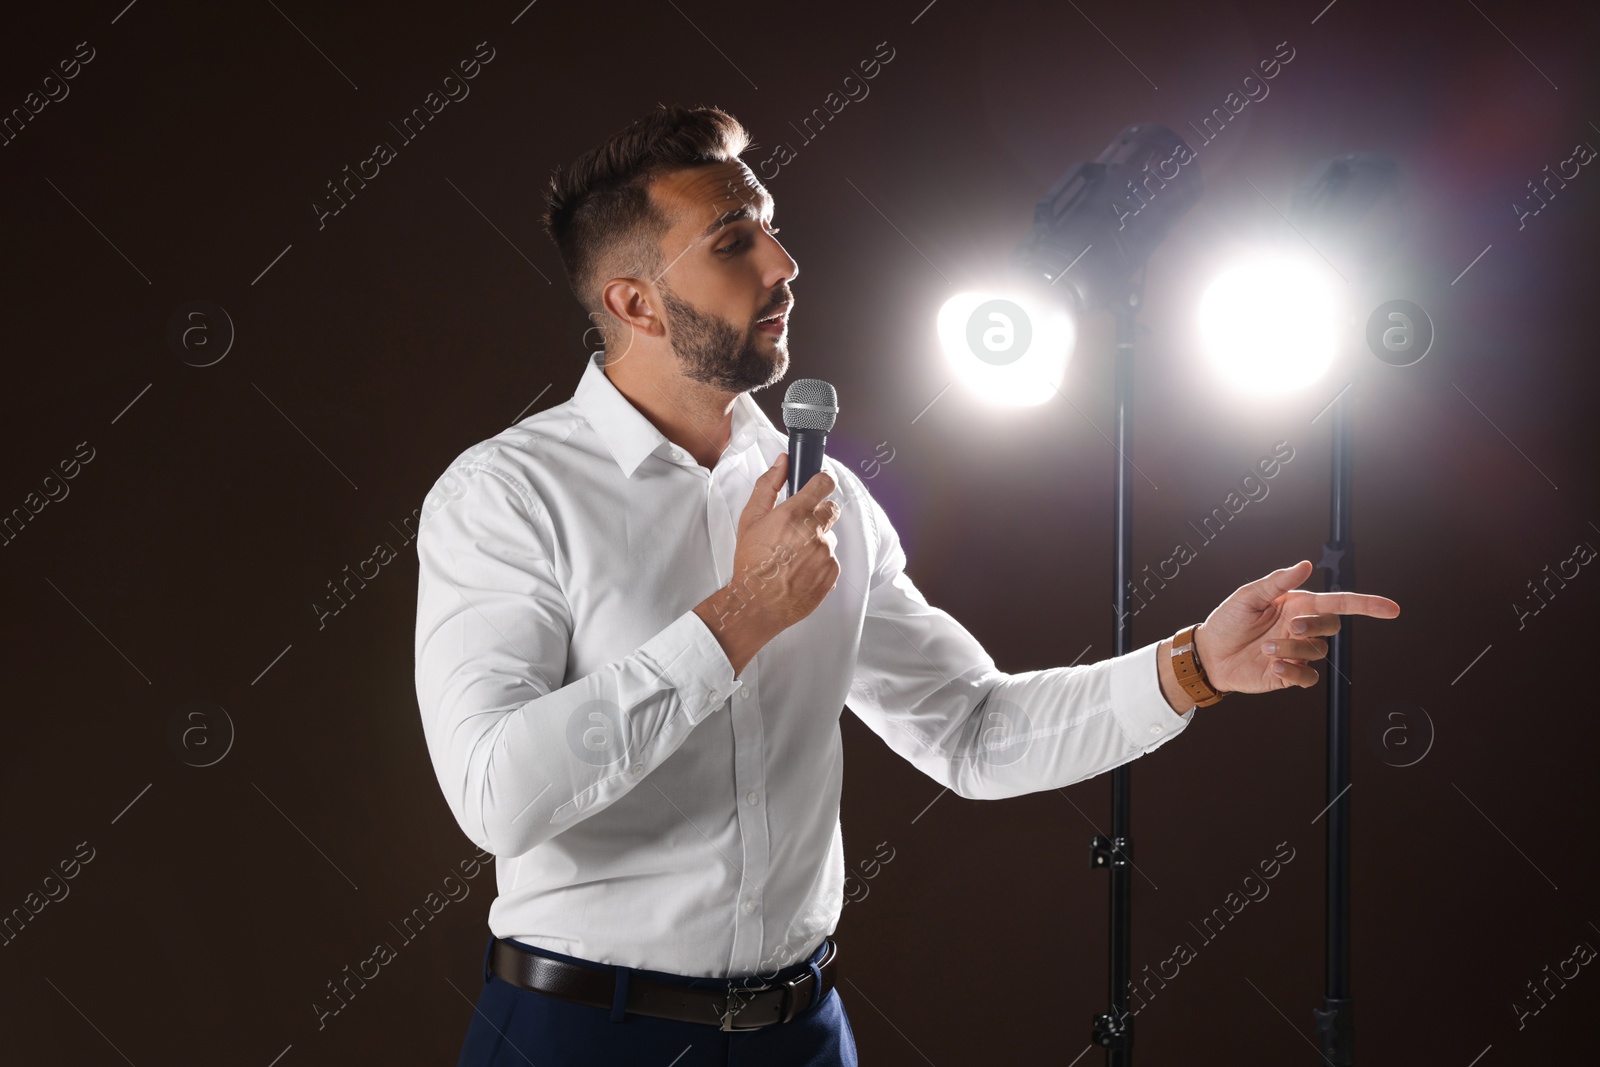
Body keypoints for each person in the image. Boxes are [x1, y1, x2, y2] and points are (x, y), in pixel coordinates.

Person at [412, 104, 1401, 1067]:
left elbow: (971, 730)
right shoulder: (506, 494)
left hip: (798, 1035)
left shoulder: (824, 493)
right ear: (632, 300)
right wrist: (740, 614)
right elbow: (498, 794)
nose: (781, 263)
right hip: (583, 1034)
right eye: (731, 241)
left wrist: (1193, 666)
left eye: (771, 225)